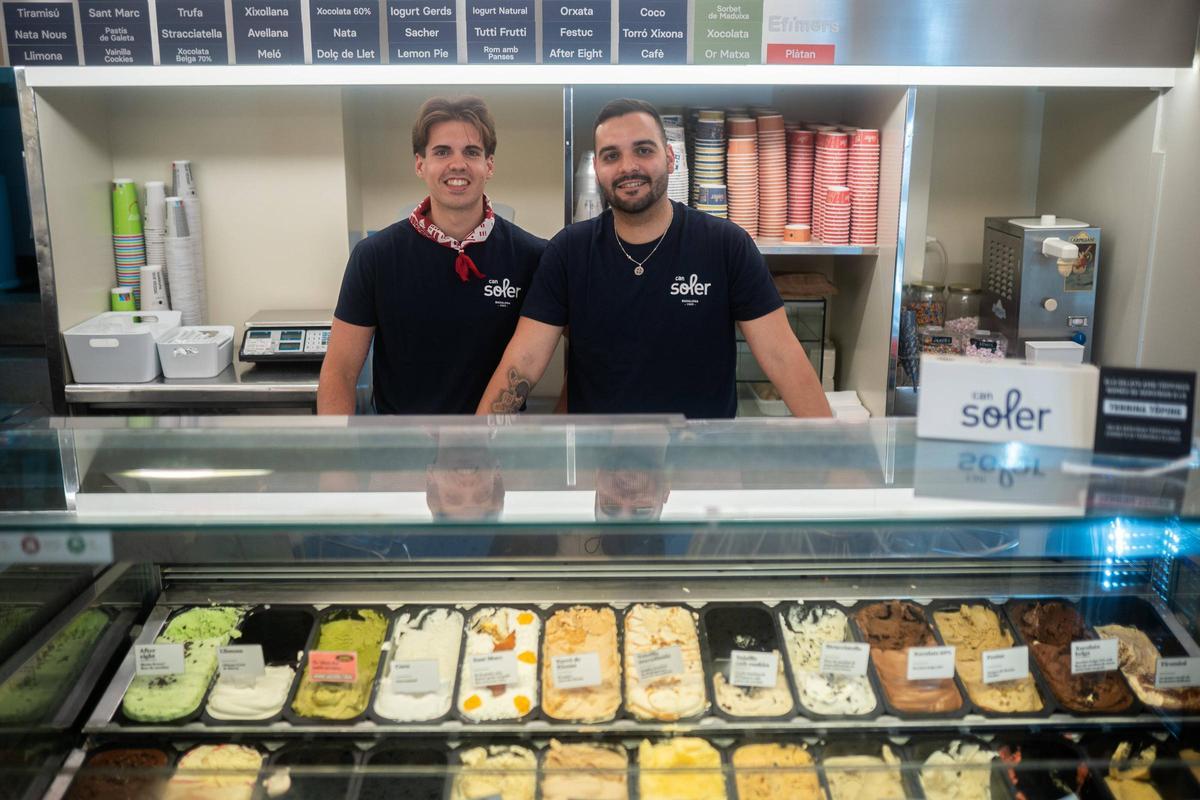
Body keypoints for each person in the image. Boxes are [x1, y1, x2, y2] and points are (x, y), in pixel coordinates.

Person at [476, 98, 831, 419]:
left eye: (643, 150)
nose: (628, 167)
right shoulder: (569, 252)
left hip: (698, 464)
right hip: (601, 466)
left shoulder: (725, 245)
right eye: (612, 155)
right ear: (598, 168)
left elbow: (783, 358)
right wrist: (475, 449)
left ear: (671, 158)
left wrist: (836, 454)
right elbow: (522, 365)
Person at [319, 96, 547, 415]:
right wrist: (337, 459)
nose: (457, 164)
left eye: (471, 152)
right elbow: (339, 372)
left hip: (496, 452)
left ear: (489, 165)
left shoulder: (532, 257)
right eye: (442, 152)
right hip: (402, 455)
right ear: (420, 164)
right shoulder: (374, 257)